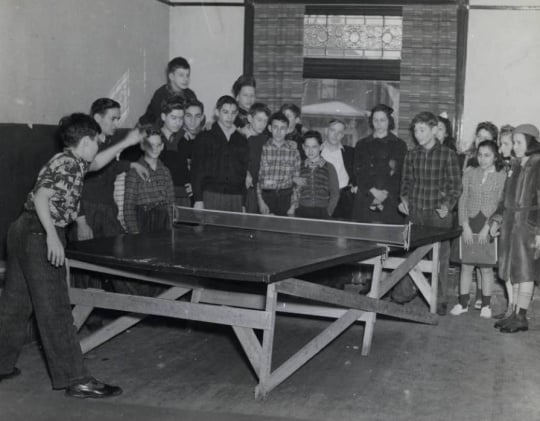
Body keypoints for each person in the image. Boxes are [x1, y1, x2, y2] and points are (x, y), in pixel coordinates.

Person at [0, 113, 142, 398]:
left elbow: (99, 162)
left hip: (21, 229)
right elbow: (42, 197)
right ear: (87, 140)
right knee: (56, 308)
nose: (99, 146)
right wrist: (53, 237)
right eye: (98, 140)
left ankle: (1, 364)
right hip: (40, 232)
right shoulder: (67, 165)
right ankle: (77, 379)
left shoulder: (70, 160)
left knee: (16, 304)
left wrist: (127, 142)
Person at [398, 111, 462, 315]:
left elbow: (455, 186)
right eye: (415, 130)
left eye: (422, 130)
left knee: (440, 257)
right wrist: (404, 200)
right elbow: (406, 183)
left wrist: (446, 206)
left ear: (434, 130)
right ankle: (404, 292)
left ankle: (440, 298)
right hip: (416, 212)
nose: (417, 134)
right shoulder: (411, 154)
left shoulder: (448, 154)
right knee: (411, 254)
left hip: (438, 214)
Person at [490, 124, 540, 333]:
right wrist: (497, 219)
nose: (515, 147)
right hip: (511, 223)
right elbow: (504, 198)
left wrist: (538, 230)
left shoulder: (538, 165)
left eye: (519, 143)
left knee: (525, 271)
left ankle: (521, 316)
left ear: (531, 143)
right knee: (513, 270)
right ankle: (514, 312)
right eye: (515, 142)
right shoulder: (516, 165)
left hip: (528, 224)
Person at [76, 98, 149, 241]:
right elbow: (74, 186)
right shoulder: (84, 144)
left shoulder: (107, 141)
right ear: (97, 118)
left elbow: (108, 166)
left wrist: (131, 165)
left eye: (118, 119)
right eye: (113, 119)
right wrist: (81, 222)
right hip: (88, 212)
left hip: (107, 209)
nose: (117, 123)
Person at [450, 140, 506, 318]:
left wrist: (488, 226)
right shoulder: (469, 173)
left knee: (486, 267)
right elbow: (463, 199)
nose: (482, 159)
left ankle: (486, 306)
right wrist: (465, 225)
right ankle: (463, 303)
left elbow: (500, 204)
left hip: (487, 225)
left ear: (495, 156)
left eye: (487, 155)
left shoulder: (501, 175)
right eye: (480, 155)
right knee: (466, 265)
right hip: (470, 222)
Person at [191, 96, 249, 212]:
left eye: (233, 113)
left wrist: (242, 203)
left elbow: (243, 174)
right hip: (210, 195)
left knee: (233, 230)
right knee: (209, 230)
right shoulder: (204, 137)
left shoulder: (242, 141)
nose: (229, 117)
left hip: (235, 197)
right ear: (217, 112)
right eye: (225, 112)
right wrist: (198, 200)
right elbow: (196, 170)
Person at [352, 104, 407, 224]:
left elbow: (400, 174)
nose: (379, 124)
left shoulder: (400, 145)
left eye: (382, 120)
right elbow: (358, 172)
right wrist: (373, 191)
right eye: (375, 120)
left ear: (389, 121)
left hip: (390, 200)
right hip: (366, 198)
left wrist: (384, 193)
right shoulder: (361, 144)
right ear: (371, 122)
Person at [124, 126, 175, 234]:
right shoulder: (134, 172)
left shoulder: (165, 171)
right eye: (150, 145)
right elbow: (128, 207)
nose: (155, 149)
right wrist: (134, 233)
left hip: (163, 222)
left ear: (162, 146)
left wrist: (171, 228)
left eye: (158, 145)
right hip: (143, 221)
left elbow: (171, 203)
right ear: (143, 146)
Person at [258, 111, 302, 216]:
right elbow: (259, 178)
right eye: (275, 127)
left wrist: (293, 205)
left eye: (282, 128)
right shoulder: (262, 149)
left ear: (287, 130)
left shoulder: (294, 152)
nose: (279, 131)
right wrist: (260, 201)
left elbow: (297, 180)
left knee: (284, 231)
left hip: (286, 197)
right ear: (269, 128)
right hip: (266, 196)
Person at [138, 56, 197, 126]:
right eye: (181, 75)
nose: (185, 79)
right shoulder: (161, 94)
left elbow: (196, 113)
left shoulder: (190, 94)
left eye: (187, 75)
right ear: (171, 77)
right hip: (151, 128)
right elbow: (159, 122)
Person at [296, 130, 339, 219]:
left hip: (323, 211)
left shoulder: (329, 167)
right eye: (307, 147)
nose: (310, 151)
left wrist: (329, 212)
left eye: (314, 147)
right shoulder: (299, 166)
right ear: (303, 147)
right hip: (302, 211)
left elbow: (335, 193)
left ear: (321, 147)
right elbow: (295, 190)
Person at [159, 98, 192, 207]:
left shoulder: (184, 140)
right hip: (159, 195)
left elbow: (192, 165)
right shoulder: (152, 139)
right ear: (163, 117)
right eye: (173, 118)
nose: (178, 123)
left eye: (181, 119)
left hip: (182, 195)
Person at [320, 119, 355, 219]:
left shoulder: (350, 152)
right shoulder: (317, 151)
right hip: (322, 197)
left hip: (344, 199)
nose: (336, 135)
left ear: (343, 135)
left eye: (339, 132)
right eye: (333, 130)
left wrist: (354, 184)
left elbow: (358, 171)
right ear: (326, 131)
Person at [244, 103, 271, 213]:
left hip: (260, 190)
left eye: (265, 121)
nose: (262, 124)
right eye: (259, 120)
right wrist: (245, 172)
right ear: (250, 118)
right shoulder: (238, 136)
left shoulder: (266, 140)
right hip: (243, 190)